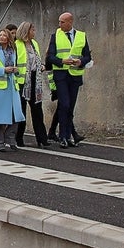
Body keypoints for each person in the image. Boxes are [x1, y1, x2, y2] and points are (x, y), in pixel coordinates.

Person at [46, 12, 91, 148]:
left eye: (62, 22)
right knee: (64, 105)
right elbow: (50, 57)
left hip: (75, 76)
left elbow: (87, 56)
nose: (59, 25)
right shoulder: (56, 36)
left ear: (70, 22)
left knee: (70, 107)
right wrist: (62, 61)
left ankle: (68, 137)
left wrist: (80, 61)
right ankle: (63, 137)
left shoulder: (81, 36)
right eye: (59, 22)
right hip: (61, 75)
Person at [0, 28, 25, 152]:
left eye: (4, 35)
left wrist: (16, 71)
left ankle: (10, 138)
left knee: (15, 115)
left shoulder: (14, 52)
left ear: (8, 38)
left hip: (11, 87)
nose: (1, 37)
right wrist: (3, 70)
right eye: (0, 35)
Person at [15, 21, 50, 148]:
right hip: (22, 81)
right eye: (32, 30)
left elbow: (37, 59)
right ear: (26, 31)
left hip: (35, 79)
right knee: (22, 110)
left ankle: (42, 138)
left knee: (37, 109)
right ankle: (18, 137)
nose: (34, 32)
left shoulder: (34, 44)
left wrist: (41, 66)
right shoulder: (17, 45)